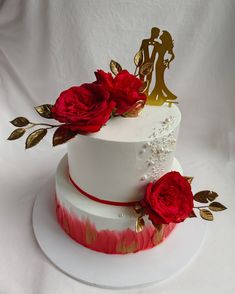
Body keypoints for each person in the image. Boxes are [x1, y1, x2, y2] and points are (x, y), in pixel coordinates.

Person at [148, 30, 177, 105]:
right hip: (158, 64)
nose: (160, 36)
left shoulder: (167, 46)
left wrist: (168, 61)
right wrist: (150, 65)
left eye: (162, 35)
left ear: (165, 38)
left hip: (162, 65)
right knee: (159, 80)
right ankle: (159, 96)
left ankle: (154, 96)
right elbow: (153, 56)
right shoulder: (158, 45)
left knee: (159, 80)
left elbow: (172, 55)